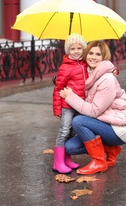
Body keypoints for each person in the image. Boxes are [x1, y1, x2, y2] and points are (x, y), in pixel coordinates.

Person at [60, 40, 126, 175]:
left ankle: (99, 161)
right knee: (70, 147)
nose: (93, 57)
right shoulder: (89, 74)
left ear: (104, 58)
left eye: (98, 54)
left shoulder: (107, 79)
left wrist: (70, 97)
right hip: (104, 123)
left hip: (118, 129)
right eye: (90, 53)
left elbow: (94, 111)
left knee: (79, 121)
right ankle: (110, 148)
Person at [52, 33, 87, 173]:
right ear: (68, 50)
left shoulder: (85, 64)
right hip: (67, 106)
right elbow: (58, 89)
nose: (76, 51)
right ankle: (58, 162)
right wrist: (57, 108)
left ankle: (67, 159)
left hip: (80, 104)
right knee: (64, 131)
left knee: (73, 132)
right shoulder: (65, 67)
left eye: (79, 48)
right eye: (73, 48)